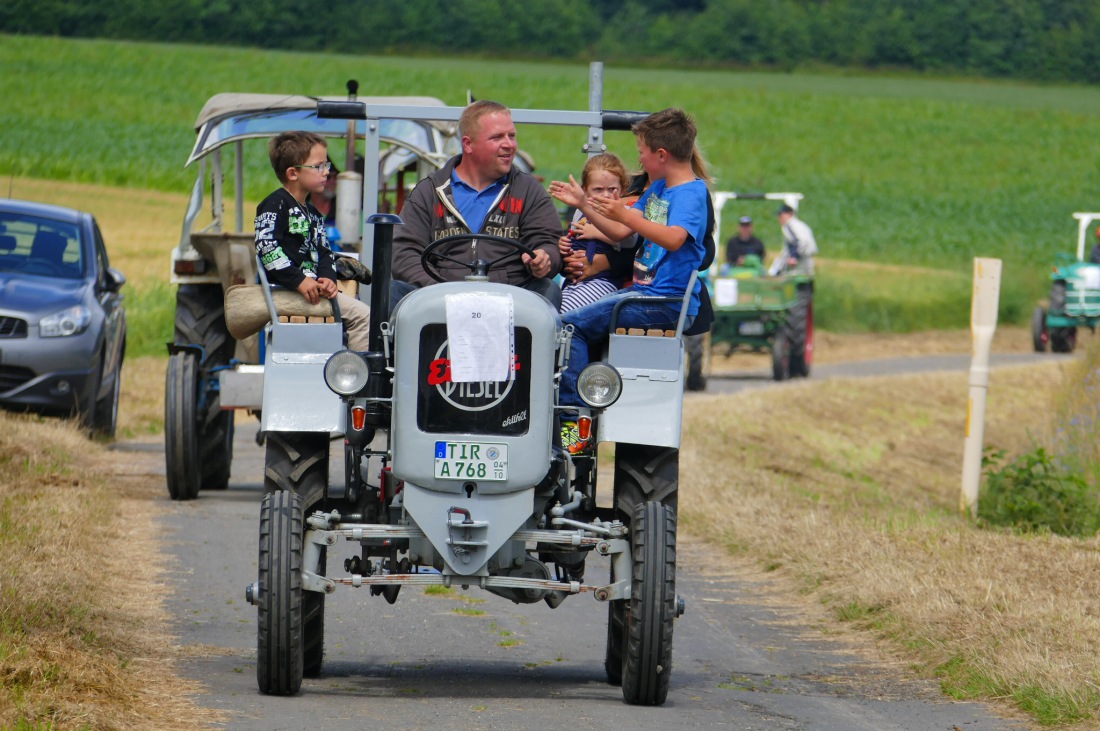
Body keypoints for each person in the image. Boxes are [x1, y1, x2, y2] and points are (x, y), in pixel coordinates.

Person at [549, 107, 709, 453]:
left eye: (642, 152)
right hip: (643, 297)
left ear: (661, 155)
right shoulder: (661, 189)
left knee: (567, 329)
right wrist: (584, 205)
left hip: (664, 303)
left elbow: (674, 238)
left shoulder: (690, 194)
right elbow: (620, 229)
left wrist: (625, 215)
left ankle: (573, 426)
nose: (639, 158)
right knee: (569, 322)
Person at [390, 100, 563, 309]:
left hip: (512, 298)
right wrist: (437, 290)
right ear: (468, 144)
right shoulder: (429, 191)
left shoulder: (528, 190)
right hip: (439, 297)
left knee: (548, 290)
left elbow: (548, 242)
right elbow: (404, 252)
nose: (509, 144)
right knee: (392, 292)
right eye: (497, 137)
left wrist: (545, 258)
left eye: (512, 135)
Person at [254, 131, 371, 350]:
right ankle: (359, 380)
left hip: (312, 292)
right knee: (364, 317)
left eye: (326, 165)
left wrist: (328, 278)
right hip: (285, 290)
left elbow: (325, 252)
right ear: (292, 173)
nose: (326, 172)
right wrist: (299, 280)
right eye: (319, 167)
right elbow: (266, 247)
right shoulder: (275, 205)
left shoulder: (314, 214)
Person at [558, 153, 637, 313]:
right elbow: (573, 235)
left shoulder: (624, 212)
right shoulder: (580, 212)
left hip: (603, 281)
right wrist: (563, 244)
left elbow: (630, 241)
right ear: (585, 191)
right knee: (549, 311)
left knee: (565, 315)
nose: (606, 195)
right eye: (598, 189)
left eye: (612, 189)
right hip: (574, 281)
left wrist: (596, 232)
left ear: (622, 190)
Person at [769, 203, 817, 276]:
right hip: (806, 260)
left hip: (801, 262)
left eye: (781, 214)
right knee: (807, 282)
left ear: (789, 214)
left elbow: (803, 242)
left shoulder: (790, 225)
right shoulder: (800, 225)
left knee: (798, 283)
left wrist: (794, 257)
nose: (779, 217)